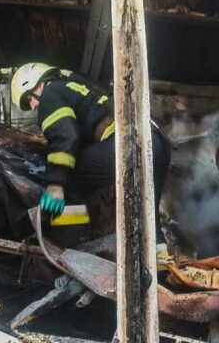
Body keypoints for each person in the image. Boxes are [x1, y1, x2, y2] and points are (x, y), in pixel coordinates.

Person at [11, 63, 172, 259]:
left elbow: (66, 137)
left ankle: (72, 253)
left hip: (127, 145)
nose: (33, 106)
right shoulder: (76, 83)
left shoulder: (50, 95)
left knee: (69, 181)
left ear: (39, 83)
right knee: (150, 212)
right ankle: (159, 258)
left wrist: (55, 184)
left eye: (30, 99)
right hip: (157, 142)